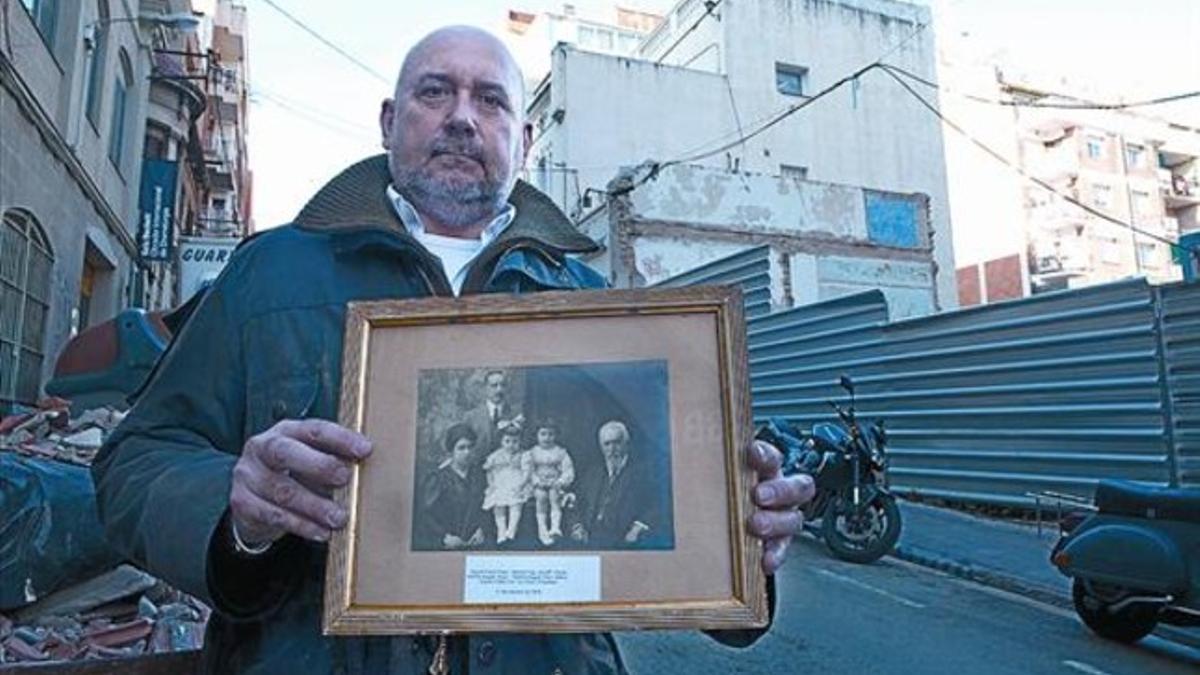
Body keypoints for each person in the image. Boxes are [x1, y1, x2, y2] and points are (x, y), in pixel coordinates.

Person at [91, 25, 814, 674]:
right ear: (388, 121)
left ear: (524, 139)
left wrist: (742, 535)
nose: (463, 117)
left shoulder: (602, 306)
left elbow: (674, 540)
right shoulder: (268, 273)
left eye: (491, 100)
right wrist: (234, 508)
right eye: (435, 92)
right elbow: (135, 460)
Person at [570, 421, 661, 549]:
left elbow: (657, 505)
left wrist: (638, 527)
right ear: (601, 447)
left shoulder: (644, 473)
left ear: (626, 443)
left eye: (616, 443)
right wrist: (577, 527)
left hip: (624, 541)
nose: (611, 449)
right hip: (590, 539)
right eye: (607, 444)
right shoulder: (592, 474)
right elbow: (576, 504)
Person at [418, 423, 485, 550]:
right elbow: (425, 515)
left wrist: (482, 529)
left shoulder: (479, 476)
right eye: (461, 448)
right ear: (451, 451)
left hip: (476, 543)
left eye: (470, 447)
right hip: (447, 545)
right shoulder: (438, 478)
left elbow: (487, 507)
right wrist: (444, 537)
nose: (467, 452)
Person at [523, 420, 574, 546]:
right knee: (541, 497)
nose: (547, 438)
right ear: (537, 435)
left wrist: (560, 481)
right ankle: (542, 529)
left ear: (556, 436)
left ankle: (555, 527)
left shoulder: (560, 452)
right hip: (538, 484)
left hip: (554, 483)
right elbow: (528, 470)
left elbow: (568, 469)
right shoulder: (532, 452)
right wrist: (536, 481)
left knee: (554, 496)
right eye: (543, 434)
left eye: (551, 434)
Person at [480, 418, 529, 544]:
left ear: (520, 442)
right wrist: (491, 485)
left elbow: (527, 472)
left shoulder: (524, 455)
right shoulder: (495, 455)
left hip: (517, 482)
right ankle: (501, 530)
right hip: (500, 483)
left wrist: (522, 484)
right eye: (507, 441)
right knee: (498, 505)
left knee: (516, 504)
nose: (511, 445)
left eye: (515, 441)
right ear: (501, 442)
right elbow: (489, 471)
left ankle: (512, 528)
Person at [462, 369, 520, 458]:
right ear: (485, 388)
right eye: (494, 386)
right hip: (477, 468)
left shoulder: (516, 415)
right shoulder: (471, 417)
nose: (499, 390)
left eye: (503, 385)